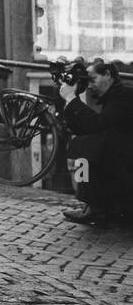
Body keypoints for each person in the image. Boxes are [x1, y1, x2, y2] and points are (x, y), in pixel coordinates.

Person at [59, 59, 133, 225]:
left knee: (83, 149)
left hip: (126, 156)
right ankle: (96, 206)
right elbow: (86, 127)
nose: (90, 85)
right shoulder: (116, 94)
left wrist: (71, 98)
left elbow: (97, 125)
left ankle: (93, 207)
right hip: (124, 153)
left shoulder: (123, 95)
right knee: (84, 145)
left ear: (107, 75)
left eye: (92, 79)